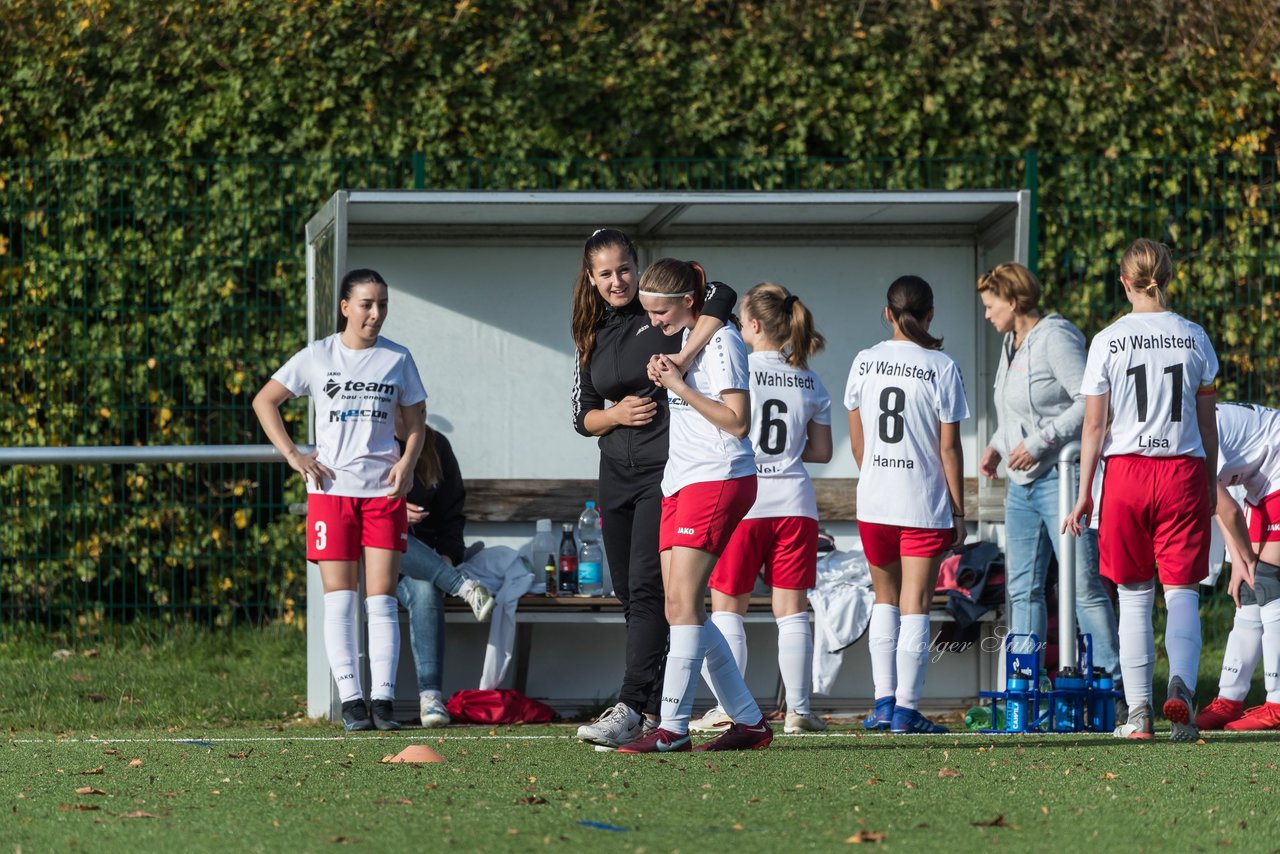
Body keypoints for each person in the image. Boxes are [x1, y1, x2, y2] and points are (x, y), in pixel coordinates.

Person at [570, 229, 739, 750]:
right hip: (614, 477)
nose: (617, 281)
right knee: (632, 594)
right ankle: (730, 712)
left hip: (664, 475)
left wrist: (684, 357)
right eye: (606, 273)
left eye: (625, 269)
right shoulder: (590, 334)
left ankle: (635, 707)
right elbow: (582, 416)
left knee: (650, 592)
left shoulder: (660, 315)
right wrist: (615, 414)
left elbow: (723, 293)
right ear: (591, 279)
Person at [253, 268, 427, 731]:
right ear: (346, 307)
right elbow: (264, 401)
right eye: (367, 304)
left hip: (383, 494)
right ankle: (352, 701)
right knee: (340, 600)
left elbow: (416, 423)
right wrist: (293, 455)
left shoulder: (398, 358)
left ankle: (385, 702)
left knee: (382, 600)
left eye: (383, 304)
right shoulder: (317, 356)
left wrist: (407, 463)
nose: (375, 314)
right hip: (331, 494)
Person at [1064, 238, 1218, 742]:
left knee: (1132, 596)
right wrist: (1211, 483)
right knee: (1182, 592)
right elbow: (1207, 421)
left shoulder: (1108, 340)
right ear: (1167, 278)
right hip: (1184, 473)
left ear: (1124, 281)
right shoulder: (1195, 336)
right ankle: (1184, 697)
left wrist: (1086, 491)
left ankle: (1139, 715)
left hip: (1127, 475)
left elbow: (1093, 427)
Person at [615, 257, 772, 753]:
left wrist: (678, 385)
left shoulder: (721, 341)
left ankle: (671, 728)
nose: (654, 323)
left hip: (718, 477)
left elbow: (738, 421)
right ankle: (749, 722)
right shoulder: (688, 339)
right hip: (680, 482)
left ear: (686, 302)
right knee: (680, 606)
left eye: (660, 312)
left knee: (682, 605)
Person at [689, 283, 833, 736]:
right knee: (792, 610)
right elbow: (822, 451)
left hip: (744, 500)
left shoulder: (737, 368)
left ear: (750, 325)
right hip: (795, 502)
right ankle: (798, 712)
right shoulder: (809, 377)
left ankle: (732, 708)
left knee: (728, 607)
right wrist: (786, 451)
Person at [976, 262, 1121, 691]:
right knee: (1022, 591)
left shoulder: (1057, 336)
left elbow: (1089, 403)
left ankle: (1112, 687)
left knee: (1082, 587)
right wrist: (997, 446)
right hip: (1021, 488)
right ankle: (1025, 683)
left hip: (1061, 478)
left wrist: (1040, 441)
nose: (987, 314)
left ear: (1015, 301)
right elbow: (1013, 408)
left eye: (991, 305)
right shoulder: (1010, 341)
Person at [845, 275, 968, 735]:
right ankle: (906, 709)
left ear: (887, 312)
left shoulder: (864, 361)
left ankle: (881, 703)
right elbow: (949, 449)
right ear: (930, 314)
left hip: (874, 501)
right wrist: (958, 511)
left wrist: (878, 477)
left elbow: (858, 445)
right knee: (915, 603)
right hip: (921, 502)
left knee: (885, 599)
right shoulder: (942, 365)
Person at [394, 415, 495, 728]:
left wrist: (449, 556)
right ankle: (463, 586)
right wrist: (394, 513)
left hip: (429, 563)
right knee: (392, 533)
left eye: (415, 407)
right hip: (382, 559)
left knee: (425, 589)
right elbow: (357, 502)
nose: (406, 413)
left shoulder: (435, 445)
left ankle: (431, 698)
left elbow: (453, 515)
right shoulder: (371, 443)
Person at [1195, 402, 1280, 731]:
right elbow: (1218, 503)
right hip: (1258, 479)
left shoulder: (1178, 440)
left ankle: (1276, 702)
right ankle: (1229, 699)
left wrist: (1244, 558)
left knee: (1269, 578)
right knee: (1248, 589)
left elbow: (1224, 507)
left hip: (1273, 465)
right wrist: (1238, 561)